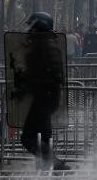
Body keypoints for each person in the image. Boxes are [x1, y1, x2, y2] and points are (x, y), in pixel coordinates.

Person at [14, 12, 69, 171]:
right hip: (46, 96)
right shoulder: (43, 45)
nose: (29, 32)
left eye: (33, 28)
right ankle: (50, 173)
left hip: (45, 97)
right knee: (44, 136)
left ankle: (55, 165)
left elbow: (48, 75)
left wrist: (26, 81)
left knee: (28, 137)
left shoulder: (45, 47)